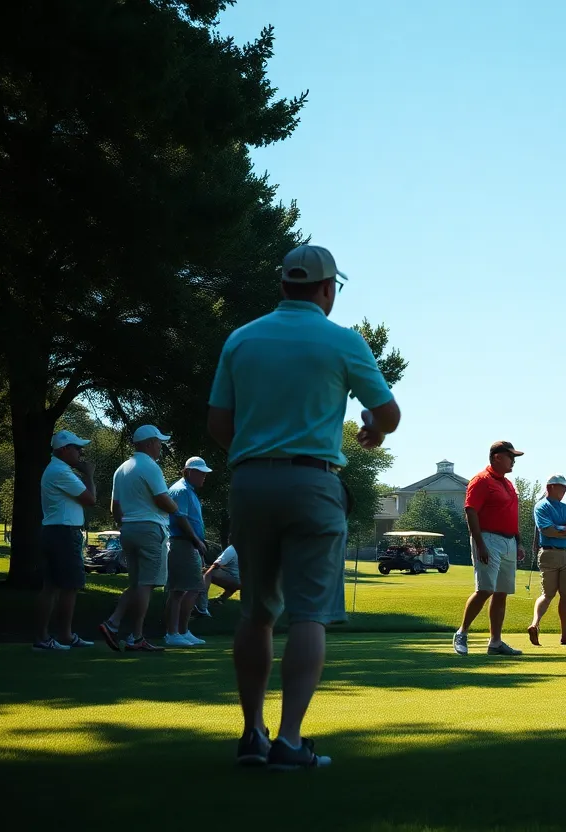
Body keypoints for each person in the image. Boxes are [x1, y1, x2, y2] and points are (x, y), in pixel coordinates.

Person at [208, 243, 400, 770]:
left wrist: (256, 456)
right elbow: (388, 413)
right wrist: (372, 430)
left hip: (250, 481)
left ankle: (252, 734)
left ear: (282, 284)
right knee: (309, 614)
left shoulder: (241, 339)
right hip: (313, 483)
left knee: (256, 612)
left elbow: (218, 426)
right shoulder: (341, 341)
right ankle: (290, 741)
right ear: (326, 288)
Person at [98, 425, 179, 653]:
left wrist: (124, 524)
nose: (160, 447)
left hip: (129, 529)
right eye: (158, 442)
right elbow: (162, 499)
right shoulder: (150, 466)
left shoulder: (122, 469)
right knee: (147, 584)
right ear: (149, 443)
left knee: (135, 584)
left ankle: (113, 623)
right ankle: (136, 637)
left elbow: (115, 506)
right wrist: (176, 508)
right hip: (150, 528)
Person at [453, 441, 526, 657]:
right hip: (487, 539)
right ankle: (462, 633)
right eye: (510, 456)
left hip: (509, 541)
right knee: (485, 589)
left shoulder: (508, 484)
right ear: (496, 457)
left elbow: (512, 516)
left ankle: (495, 642)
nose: (513, 461)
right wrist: (480, 543)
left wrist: (518, 541)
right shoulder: (481, 481)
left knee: (501, 592)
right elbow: (471, 512)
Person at [34, 430, 98, 650]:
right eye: (76, 448)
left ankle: (44, 638)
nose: (80, 452)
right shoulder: (61, 471)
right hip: (63, 532)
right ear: (64, 450)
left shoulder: (55, 469)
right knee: (70, 586)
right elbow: (90, 499)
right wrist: (88, 474)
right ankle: (65, 635)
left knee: (51, 586)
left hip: (54, 531)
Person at [528, 474, 566, 647]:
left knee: (565, 595)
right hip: (550, 553)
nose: (565, 490)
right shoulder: (541, 506)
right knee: (549, 594)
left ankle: (565, 635)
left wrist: (560, 529)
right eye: (562, 487)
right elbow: (547, 531)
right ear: (551, 487)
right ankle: (535, 625)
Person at [163, 457, 213, 646]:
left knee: (190, 588)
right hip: (182, 543)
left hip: (189, 543)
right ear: (189, 472)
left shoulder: (188, 491)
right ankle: (173, 633)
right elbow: (181, 519)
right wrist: (196, 540)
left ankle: (182, 631)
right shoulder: (181, 490)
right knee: (180, 590)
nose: (204, 477)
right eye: (201, 473)